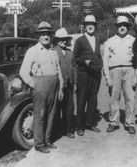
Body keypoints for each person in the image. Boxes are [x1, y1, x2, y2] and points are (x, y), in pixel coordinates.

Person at [19, 21, 64, 153]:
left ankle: (48, 140)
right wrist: (34, 85)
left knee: (52, 114)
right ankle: (39, 144)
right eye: (43, 34)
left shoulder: (53, 51)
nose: (46, 37)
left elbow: (58, 70)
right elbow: (23, 72)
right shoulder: (32, 51)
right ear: (39, 36)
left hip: (54, 85)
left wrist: (60, 88)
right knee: (40, 115)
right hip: (40, 86)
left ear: (51, 36)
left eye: (48, 34)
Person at [103, 15, 137, 134]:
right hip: (114, 71)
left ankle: (130, 123)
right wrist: (107, 77)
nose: (122, 27)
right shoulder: (109, 42)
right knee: (114, 98)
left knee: (130, 98)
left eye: (124, 25)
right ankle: (113, 122)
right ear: (116, 27)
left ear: (127, 27)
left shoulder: (133, 40)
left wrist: (136, 77)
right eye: (120, 25)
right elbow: (105, 61)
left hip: (129, 70)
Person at [73, 15, 102, 136]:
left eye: (92, 24)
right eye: (88, 24)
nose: (90, 26)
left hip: (95, 74)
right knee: (81, 100)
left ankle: (89, 123)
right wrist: (84, 62)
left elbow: (99, 56)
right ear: (85, 26)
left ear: (95, 26)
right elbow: (75, 57)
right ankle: (79, 126)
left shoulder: (98, 39)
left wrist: (99, 66)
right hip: (83, 74)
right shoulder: (80, 40)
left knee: (92, 100)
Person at [53, 28, 77, 138]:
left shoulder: (70, 53)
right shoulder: (53, 52)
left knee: (69, 108)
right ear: (56, 40)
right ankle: (57, 130)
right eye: (60, 39)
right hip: (58, 86)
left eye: (64, 39)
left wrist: (75, 82)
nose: (62, 41)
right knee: (57, 109)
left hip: (70, 85)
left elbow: (74, 68)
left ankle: (69, 130)